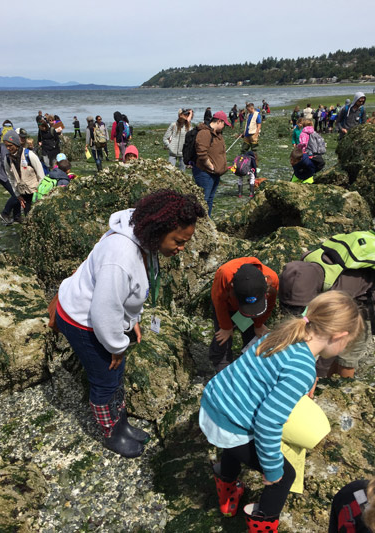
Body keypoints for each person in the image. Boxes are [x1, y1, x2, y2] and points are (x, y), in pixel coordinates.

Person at [55, 189, 205, 458]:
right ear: (159, 230)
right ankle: (111, 431)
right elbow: (103, 311)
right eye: (179, 241)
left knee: (115, 374)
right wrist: (116, 345)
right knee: (104, 379)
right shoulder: (121, 256)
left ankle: (121, 423)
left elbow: (127, 293)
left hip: (100, 315)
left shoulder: (142, 234)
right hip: (82, 321)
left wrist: (132, 320)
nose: (182, 248)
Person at [199, 291, 364, 533]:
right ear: (339, 336)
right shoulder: (302, 367)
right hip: (230, 424)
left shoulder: (284, 334)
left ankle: (228, 497)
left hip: (216, 402)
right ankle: (262, 526)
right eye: (347, 344)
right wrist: (272, 467)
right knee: (285, 476)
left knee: (238, 442)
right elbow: (267, 422)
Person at [279, 237, 375, 394]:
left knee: (348, 355)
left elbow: (331, 337)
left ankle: (343, 393)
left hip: (368, 301)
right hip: (352, 290)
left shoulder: (339, 290)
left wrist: (315, 374)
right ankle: (327, 383)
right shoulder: (306, 262)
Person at [209, 258, 278, 373]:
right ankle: (221, 367)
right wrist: (226, 327)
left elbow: (270, 303)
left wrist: (258, 324)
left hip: (254, 305)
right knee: (224, 339)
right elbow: (218, 301)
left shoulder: (272, 278)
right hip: (227, 305)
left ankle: (249, 367)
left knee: (252, 336)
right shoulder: (225, 274)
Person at [192, 111, 230, 217]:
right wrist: (210, 166)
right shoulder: (204, 133)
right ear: (219, 121)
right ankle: (201, 222)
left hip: (215, 174)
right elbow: (201, 153)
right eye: (224, 124)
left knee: (209, 200)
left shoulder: (217, 134)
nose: (224, 127)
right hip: (204, 173)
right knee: (203, 200)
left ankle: (207, 221)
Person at [3, 130, 45, 216]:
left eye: (10, 145)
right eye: (6, 146)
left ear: (16, 143)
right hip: (23, 194)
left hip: (35, 192)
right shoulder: (7, 160)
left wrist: (39, 194)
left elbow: (41, 175)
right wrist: (18, 195)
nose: (8, 148)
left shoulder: (29, 155)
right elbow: (11, 178)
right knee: (28, 216)